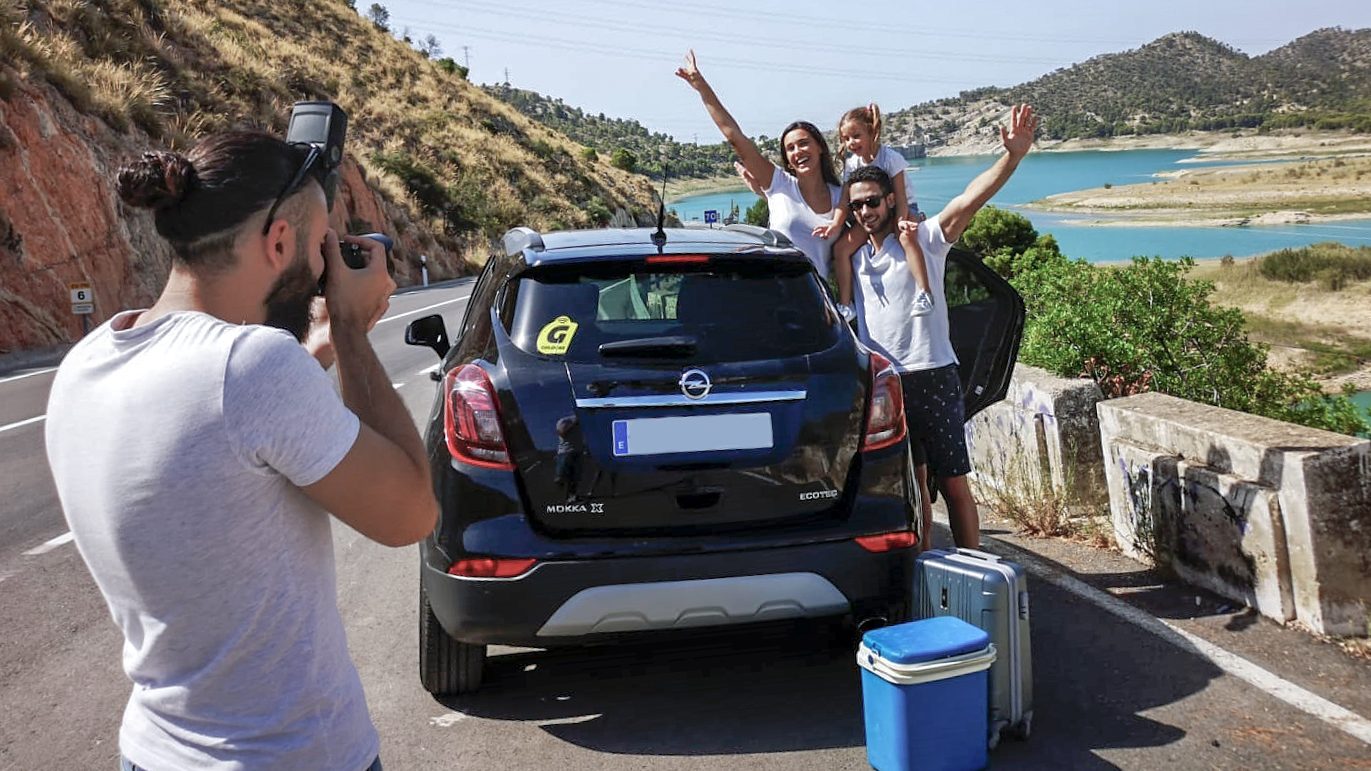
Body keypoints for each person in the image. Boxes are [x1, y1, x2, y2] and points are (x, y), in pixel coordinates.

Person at [44, 130, 439, 771]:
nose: (323, 268)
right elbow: (410, 515)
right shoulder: (252, 368)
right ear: (278, 241)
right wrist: (349, 327)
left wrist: (317, 352)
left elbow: (226, 444)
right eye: (319, 248)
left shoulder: (89, 360)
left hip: (152, 750)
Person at [836, 104, 1039, 549]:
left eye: (874, 201)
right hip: (887, 385)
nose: (867, 211)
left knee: (953, 485)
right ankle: (927, 574)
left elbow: (969, 200)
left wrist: (1013, 157)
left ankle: (972, 567)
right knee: (913, 490)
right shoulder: (852, 258)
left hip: (932, 376)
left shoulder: (925, 240)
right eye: (857, 206)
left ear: (891, 200)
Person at [676, 50, 845, 287]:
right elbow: (735, 137)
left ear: (820, 147)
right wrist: (702, 87)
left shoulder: (841, 197)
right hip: (775, 297)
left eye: (804, 143)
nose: (798, 152)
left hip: (816, 306)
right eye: (791, 148)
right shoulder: (779, 184)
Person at [814, 103, 935, 318]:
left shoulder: (890, 158)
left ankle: (924, 292)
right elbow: (844, 201)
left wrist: (900, 221)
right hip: (872, 215)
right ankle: (845, 305)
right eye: (846, 138)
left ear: (871, 132)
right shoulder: (852, 165)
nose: (851, 143)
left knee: (906, 237)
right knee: (841, 249)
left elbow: (900, 196)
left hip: (900, 207)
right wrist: (835, 224)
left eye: (856, 136)